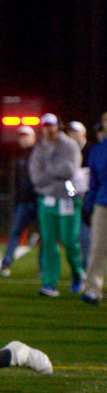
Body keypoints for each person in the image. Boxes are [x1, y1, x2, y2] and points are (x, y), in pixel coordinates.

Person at [29, 113, 84, 297]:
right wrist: (55, 175)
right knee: (49, 242)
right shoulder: (39, 147)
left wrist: (49, 170)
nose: (48, 129)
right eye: (45, 125)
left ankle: (77, 273)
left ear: (57, 126)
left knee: (70, 241)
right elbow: (36, 176)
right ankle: (50, 283)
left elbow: (70, 170)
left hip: (68, 199)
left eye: (51, 125)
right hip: (47, 200)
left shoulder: (69, 145)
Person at [0, 125, 39, 277]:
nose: (24, 139)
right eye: (22, 136)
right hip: (23, 202)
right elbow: (16, 182)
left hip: (38, 201)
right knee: (15, 232)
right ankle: (6, 263)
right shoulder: (19, 157)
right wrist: (16, 202)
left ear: (34, 137)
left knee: (45, 236)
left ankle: (43, 267)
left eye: (27, 136)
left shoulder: (39, 155)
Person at [81, 131, 107, 306]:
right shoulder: (99, 149)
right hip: (102, 203)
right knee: (97, 248)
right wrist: (88, 205)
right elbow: (94, 182)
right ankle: (93, 290)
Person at [65, 120, 92, 269]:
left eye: (75, 132)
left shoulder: (91, 150)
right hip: (73, 198)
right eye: (70, 132)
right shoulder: (68, 151)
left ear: (83, 133)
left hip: (90, 199)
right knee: (74, 235)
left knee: (88, 235)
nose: (72, 135)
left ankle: (87, 267)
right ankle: (83, 267)